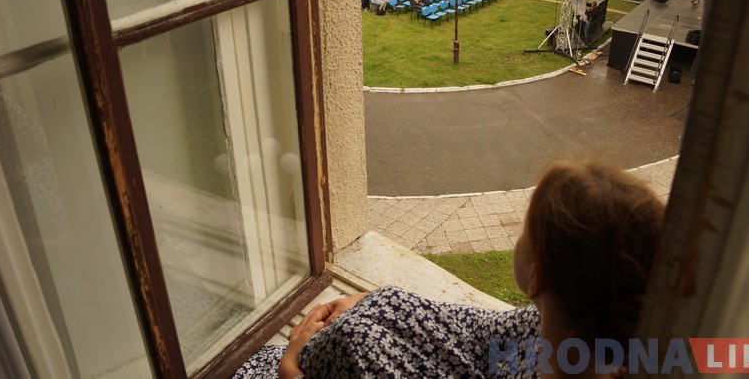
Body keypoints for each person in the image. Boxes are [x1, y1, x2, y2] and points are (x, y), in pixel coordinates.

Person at [234, 160, 666, 379]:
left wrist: (291, 369)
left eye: (524, 230)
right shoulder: (573, 338)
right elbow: (480, 331)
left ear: (537, 278)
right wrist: (380, 304)